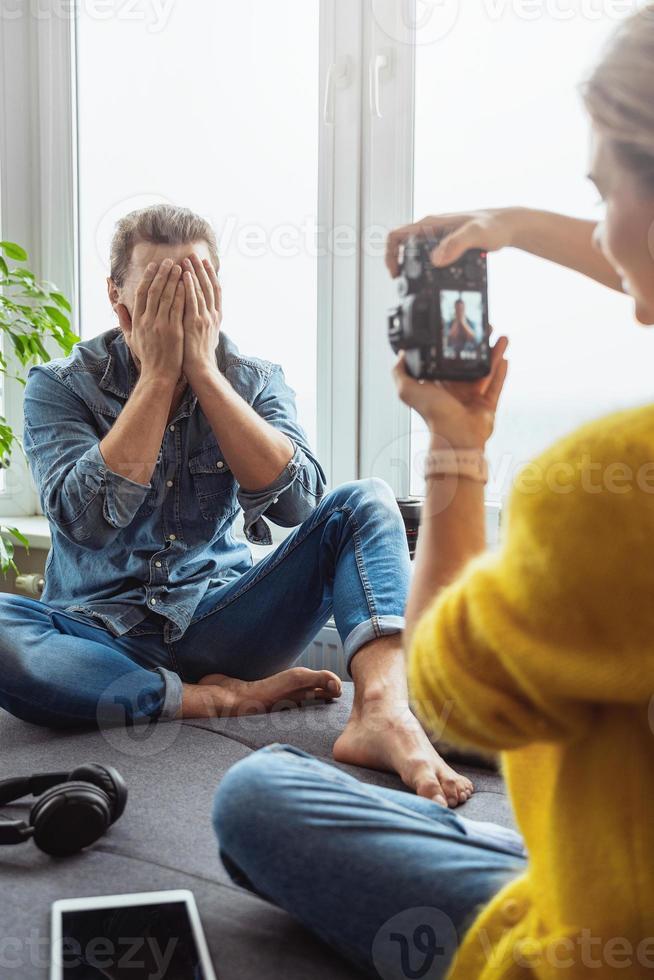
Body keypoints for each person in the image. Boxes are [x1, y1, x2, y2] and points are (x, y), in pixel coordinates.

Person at [213, 9, 654, 978]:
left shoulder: (609, 491)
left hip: (594, 938)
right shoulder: (65, 385)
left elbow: (452, 703)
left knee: (256, 796)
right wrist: (507, 226)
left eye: (599, 188)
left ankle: (376, 717)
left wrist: (454, 449)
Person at [0, 204, 473, 805]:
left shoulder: (253, 378)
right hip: (98, 634)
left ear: (215, 298)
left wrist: (201, 371)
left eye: (193, 289)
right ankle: (209, 697)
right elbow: (85, 523)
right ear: (120, 303)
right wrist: (157, 380)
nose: (179, 307)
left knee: (365, 502)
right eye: (159, 293)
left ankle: (382, 711)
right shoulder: (62, 385)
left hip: (224, 619)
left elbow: (299, 505)